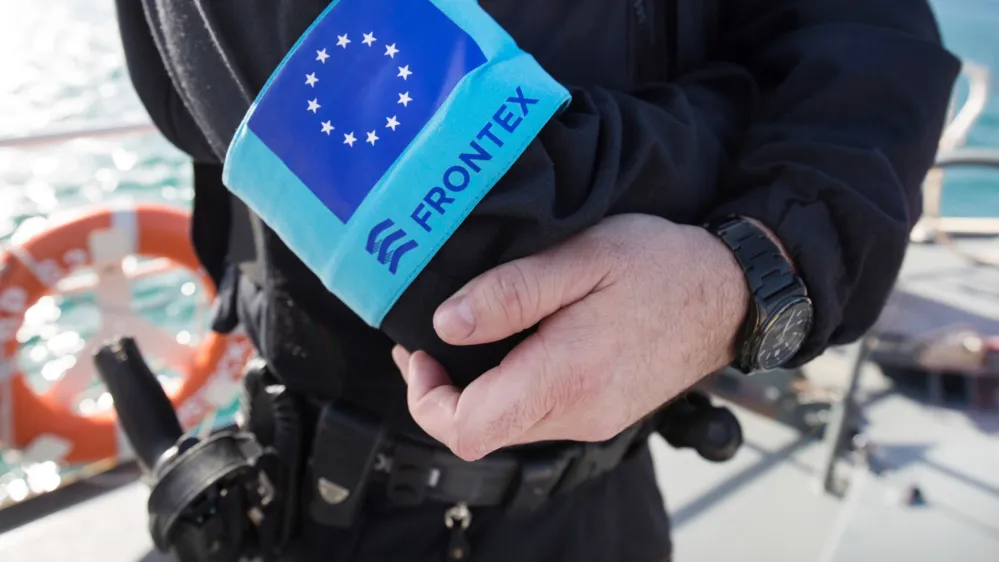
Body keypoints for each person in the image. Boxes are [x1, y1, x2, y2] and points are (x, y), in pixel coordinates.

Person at [114, 0, 960, 560]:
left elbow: (877, 45)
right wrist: (766, 141)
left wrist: (745, 267)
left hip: (614, 502)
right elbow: (476, 271)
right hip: (353, 516)